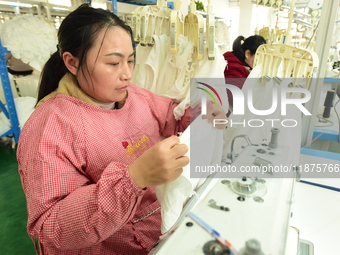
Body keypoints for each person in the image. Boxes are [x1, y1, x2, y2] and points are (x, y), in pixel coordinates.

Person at [17, 4, 226, 255]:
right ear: (72, 63)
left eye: (130, 61)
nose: (127, 74)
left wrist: (199, 114)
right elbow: (49, 225)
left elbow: (171, 116)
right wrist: (134, 178)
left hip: (159, 232)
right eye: (114, 63)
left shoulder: (134, 96)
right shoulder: (50, 128)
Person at [223, 35, 266, 113]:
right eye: (259, 57)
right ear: (248, 54)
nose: (261, 62)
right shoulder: (232, 68)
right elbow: (236, 100)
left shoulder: (244, 66)